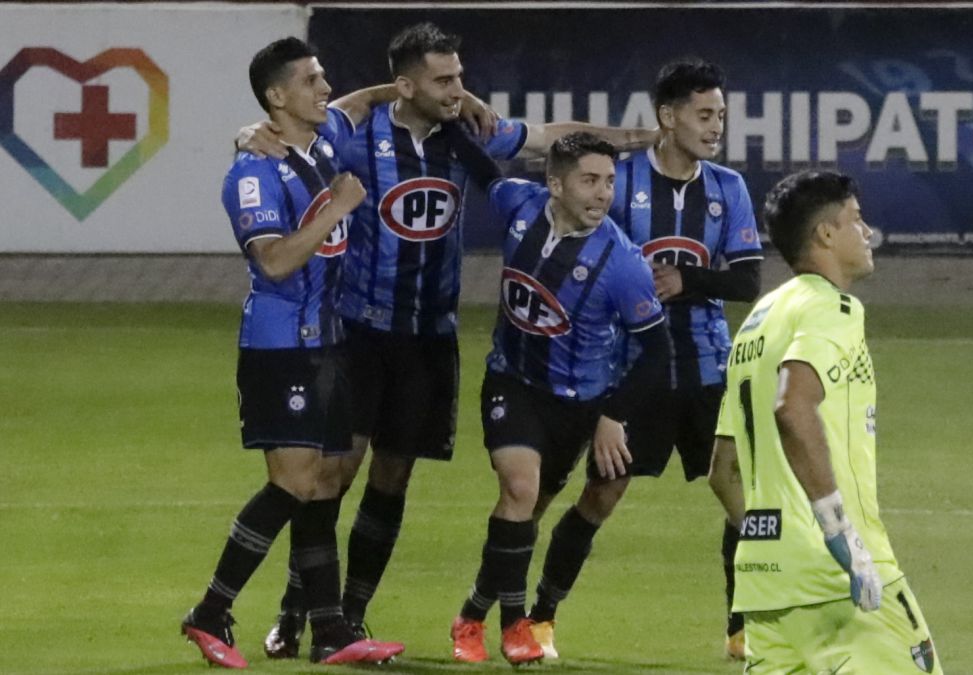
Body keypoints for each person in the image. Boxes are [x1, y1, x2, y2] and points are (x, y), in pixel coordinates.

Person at [236, 23, 659, 658]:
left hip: (428, 337)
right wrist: (245, 133)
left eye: (460, 76)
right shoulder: (357, 134)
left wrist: (653, 139)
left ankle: (351, 617)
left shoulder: (465, 134)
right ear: (407, 84)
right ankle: (297, 611)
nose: (461, 90)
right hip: (357, 331)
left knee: (393, 478)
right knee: (330, 477)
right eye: (445, 79)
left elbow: (552, 139)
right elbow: (288, 135)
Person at [524, 57, 762, 661]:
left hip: (709, 365)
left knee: (738, 489)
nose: (715, 127)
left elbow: (748, 281)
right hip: (633, 370)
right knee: (602, 493)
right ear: (667, 115)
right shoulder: (617, 180)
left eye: (721, 116)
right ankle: (540, 618)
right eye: (704, 114)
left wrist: (688, 281)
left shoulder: (727, 188)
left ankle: (742, 629)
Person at [180, 37, 404, 669]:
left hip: (330, 339)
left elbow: (358, 102)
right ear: (278, 97)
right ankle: (209, 613)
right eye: (310, 80)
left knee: (326, 482)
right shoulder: (252, 172)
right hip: (281, 345)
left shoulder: (323, 137)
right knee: (294, 482)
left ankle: (330, 631)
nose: (324, 87)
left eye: (323, 76)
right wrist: (337, 206)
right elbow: (274, 261)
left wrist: (405, 89)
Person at [449, 132, 670, 665]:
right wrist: (448, 115)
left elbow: (657, 352)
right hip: (512, 382)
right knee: (521, 491)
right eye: (589, 180)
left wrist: (612, 416)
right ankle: (514, 627)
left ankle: (472, 614)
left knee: (525, 512)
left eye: (610, 182)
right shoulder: (520, 206)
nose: (602, 194)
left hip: (580, 403)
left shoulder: (622, 263)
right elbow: (482, 169)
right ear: (554, 183)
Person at [712, 170, 941, 673]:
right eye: (856, 220)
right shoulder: (831, 308)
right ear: (826, 235)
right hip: (840, 578)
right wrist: (840, 536)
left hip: (766, 585)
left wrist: (775, 542)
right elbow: (793, 406)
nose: (867, 232)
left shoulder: (758, 319)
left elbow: (723, 470)